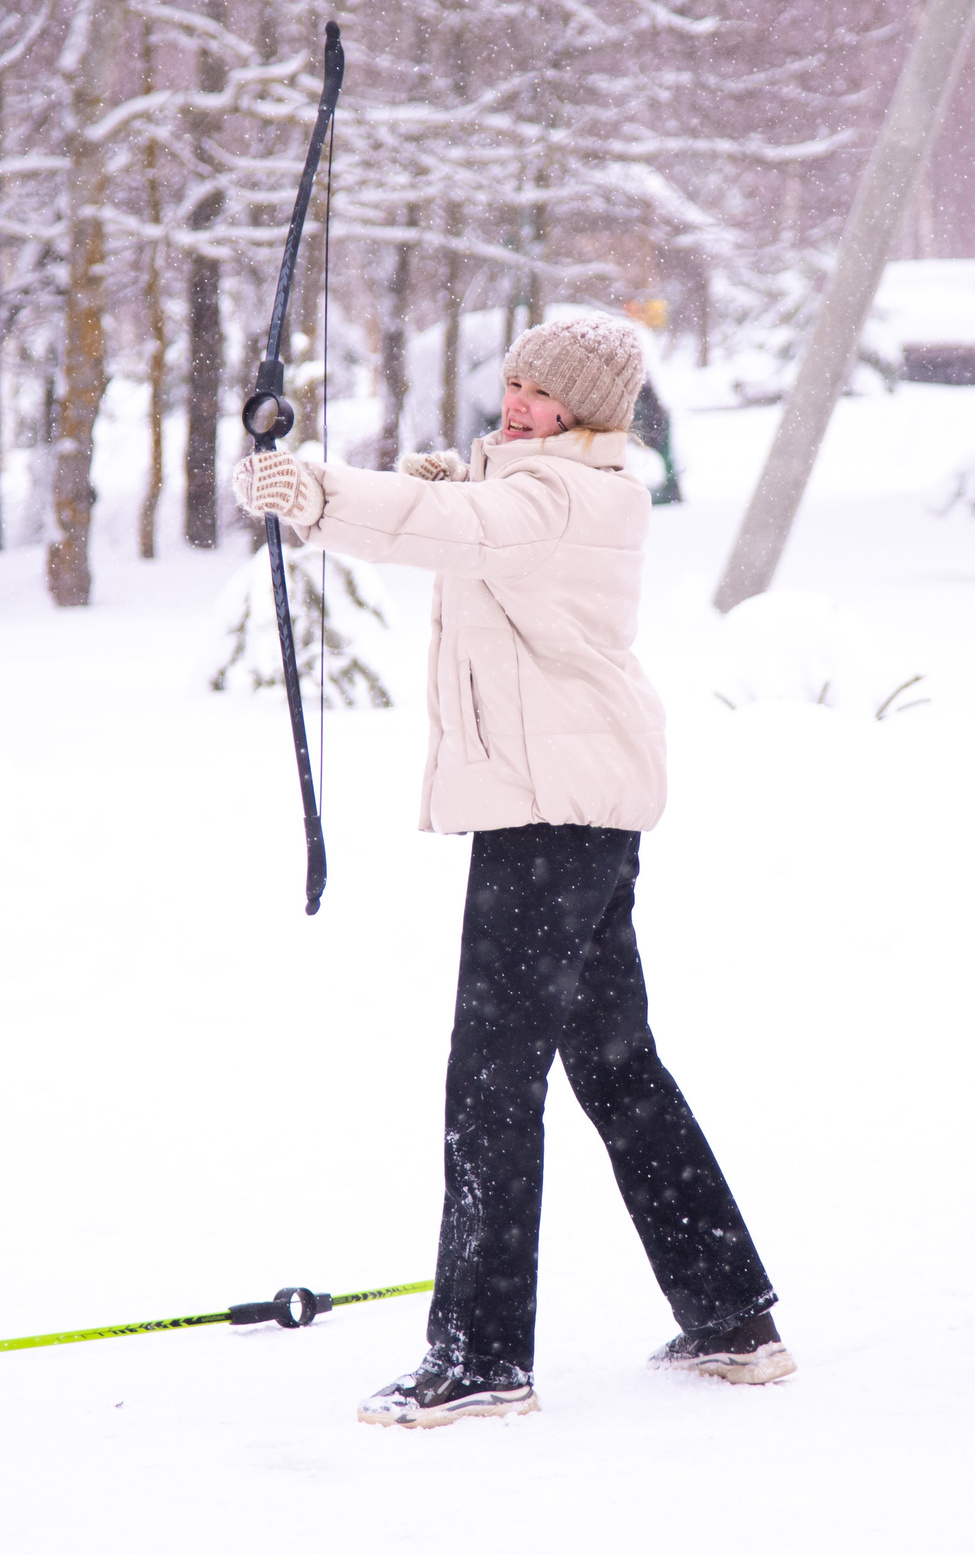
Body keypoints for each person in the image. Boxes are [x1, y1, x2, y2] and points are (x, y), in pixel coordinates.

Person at [231, 312, 788, 1426]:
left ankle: (482, 1357)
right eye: (518, 384)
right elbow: (467, 516)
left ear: (592, 418)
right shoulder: (554, 492)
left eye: (549, 399)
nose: (521, 405)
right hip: (577, 811)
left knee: (490, 1080)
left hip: (547, 818)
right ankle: (731, 1313)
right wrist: (427, 486)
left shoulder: (564, 500)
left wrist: (319, 492)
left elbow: (460, 524)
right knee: (618, 1066)